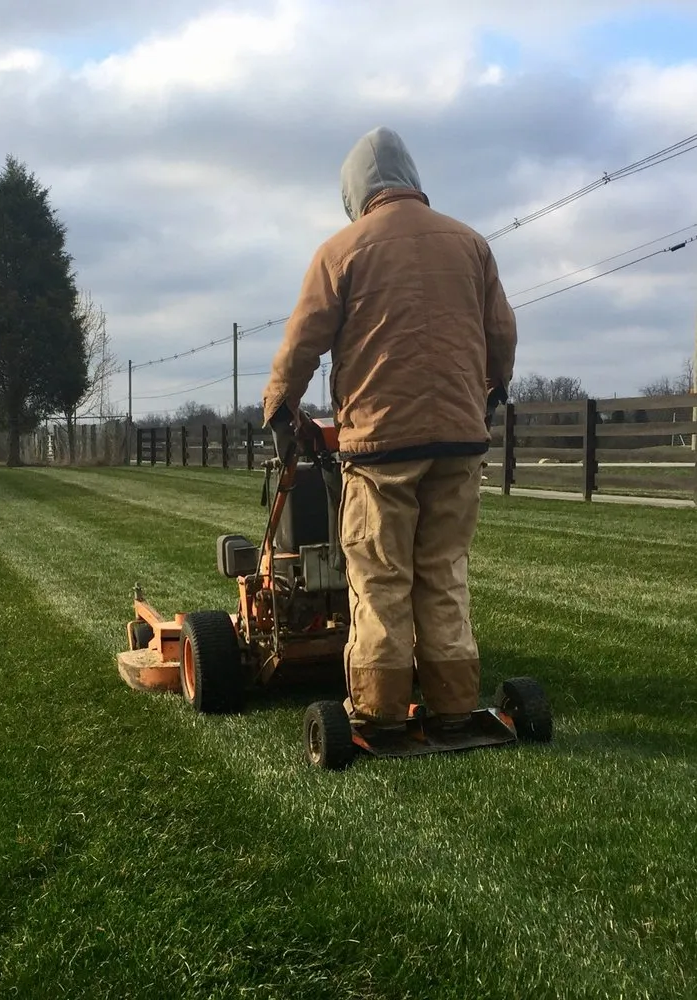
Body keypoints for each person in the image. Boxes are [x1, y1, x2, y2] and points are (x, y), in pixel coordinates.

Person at [262, 126, 516, 738]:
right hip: (459, 440)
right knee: (443, 571)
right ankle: (455, 707)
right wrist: (491, 390)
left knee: (379, 576)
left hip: (381, 446)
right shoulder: (472, 244)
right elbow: (501, 333)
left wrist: (280, 403)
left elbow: (304, 344)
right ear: (413, 179)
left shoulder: (341, 250)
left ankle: (377, 713)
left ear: (355, 193)